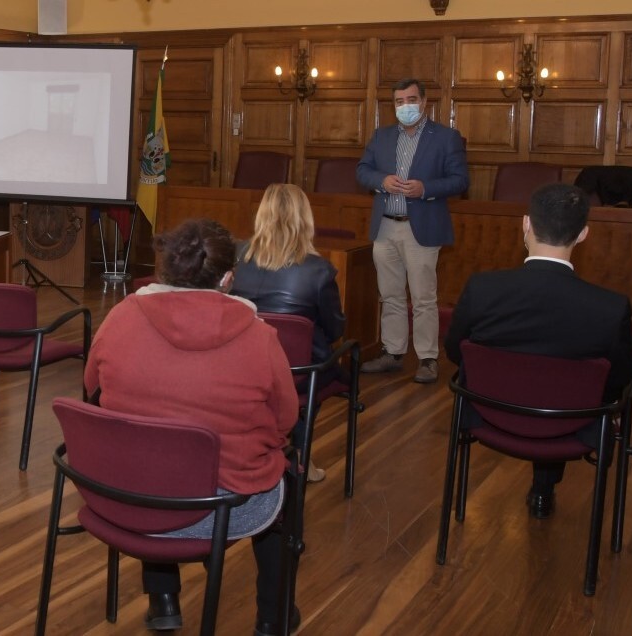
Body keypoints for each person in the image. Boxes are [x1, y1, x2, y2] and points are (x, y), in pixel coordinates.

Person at [83, 219, 300, 635]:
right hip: (221, 512)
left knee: (152, 449)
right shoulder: (260, 337)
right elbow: (283, 422)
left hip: (126, 500)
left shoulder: (120, 317)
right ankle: (273, 619)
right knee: (286, 481)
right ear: (228, 278)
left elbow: (91, 388)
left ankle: (163, 599)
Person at [444, 183, 632, 519]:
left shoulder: (482, 290)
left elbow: (455, 352)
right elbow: (618, 378)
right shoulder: (609, 308)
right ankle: (544, 488)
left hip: (490, 416)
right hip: (570, 426)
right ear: (583, 235)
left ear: (526, 224)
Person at [356, 78, 469, 384]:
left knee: (423, 298)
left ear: (424, 102)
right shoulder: (382, 136)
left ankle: (427, 359)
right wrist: (381, 181)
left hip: (421, 229)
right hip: (385, 226)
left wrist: (425, 188)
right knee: (390, 294)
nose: (405, 106)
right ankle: (393, 353)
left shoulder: (445, 137)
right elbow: (362, 171)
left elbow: (460, 181)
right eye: (399, 101)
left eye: (411, 99)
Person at [231, 183, 345, 482]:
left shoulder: (237, 255)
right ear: (305, 218)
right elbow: (335, 329)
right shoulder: (320, 270)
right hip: (301, 371)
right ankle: (300, 455)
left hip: (242, 364)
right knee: (330, 364)